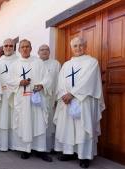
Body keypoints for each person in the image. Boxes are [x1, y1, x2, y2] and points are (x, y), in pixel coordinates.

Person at [54, 37, 105, 168]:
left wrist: (72, 94)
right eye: (75, 46)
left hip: (84, 101)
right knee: (68, 127)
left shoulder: (92, 62)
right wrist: (64, 94)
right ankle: (69, 152)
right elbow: (60, 81)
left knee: (83, 127)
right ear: (71, 48)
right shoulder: (66, 64)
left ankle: (84, 156)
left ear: (85, 46)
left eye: (80, 45)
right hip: (67, 101)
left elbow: (88, 81)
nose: (78, 48)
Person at [6, 39, 53, 162]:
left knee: (38, 123)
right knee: (24, 123)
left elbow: (47, 78)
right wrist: (19, 82)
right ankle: (25, 150)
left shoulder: (38, 63)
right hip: (22, 101)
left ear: (31, 49)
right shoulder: (14, 65)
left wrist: (42, 85)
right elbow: (8, 80)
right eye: (22, 47)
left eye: (27, 47)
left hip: (36, 98)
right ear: (19, 49)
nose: (25, 49)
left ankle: (40, 150)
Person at [0, 38, 18, 151]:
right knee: (3, 118)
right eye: (6, 46)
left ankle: (15, 144)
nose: (8, 48)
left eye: (10, 46)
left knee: (14, 119)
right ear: (2, 48)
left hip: (15, 94)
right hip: (1, 94)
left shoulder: (19, 61)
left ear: (14, 47)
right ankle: (2, 143)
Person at [37, 44, 61, 153]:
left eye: (46, 50)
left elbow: (60, 82)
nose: (44, 52)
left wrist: (57, 97)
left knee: (51, 122)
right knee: (39, 121)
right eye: (42, 50)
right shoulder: (35, 64)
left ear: (49, 51)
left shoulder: (56, 64)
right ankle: (39, 146)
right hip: (38, 98)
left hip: (52, 98)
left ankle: (51, 147)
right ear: (38, 52)